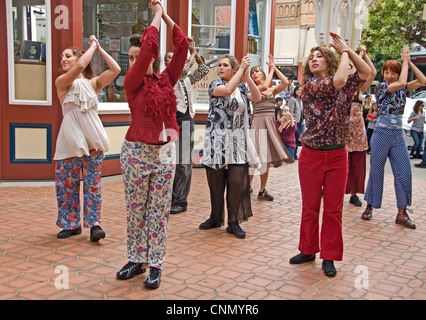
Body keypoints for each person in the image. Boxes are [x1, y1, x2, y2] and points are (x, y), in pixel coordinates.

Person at [116, 0, 189, 289]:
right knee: (136, 210)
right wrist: (156, 15)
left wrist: (167, 17)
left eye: (140, 56)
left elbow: (183, 47)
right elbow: (148, 47)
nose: (137, 61)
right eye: (132, 57)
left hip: (164, 155)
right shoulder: (132, 83)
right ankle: (136, 258)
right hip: (135, 153)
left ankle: (156, 263)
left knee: (158, 212)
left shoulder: (167, 79)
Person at [289, 32, 371, 277]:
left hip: (337, 156)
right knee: (310, 206)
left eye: (320, 56)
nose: (314, 59)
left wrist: (347, 49)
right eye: (311, 57)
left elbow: (367, 74)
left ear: (330, 61)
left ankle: (330, 256)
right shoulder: (310, 86)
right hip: (311, 155)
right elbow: (337, 81)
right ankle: (308, 250)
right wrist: (344, 52)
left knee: (334, 209)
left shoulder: (347, 83)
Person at [54, 36, 121, 241]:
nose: (63, 59)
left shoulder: (93, 83)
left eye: (68, 55)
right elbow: (82, 64)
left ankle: (94, 225)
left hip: (93, 141)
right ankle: (71, 224)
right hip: (70, 141)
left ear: (77, 56)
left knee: (93, 185)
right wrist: (92, 46)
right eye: (62, 57)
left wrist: (100, 48)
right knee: (67, 185)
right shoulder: (62, 82)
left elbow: (116, 69)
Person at [199, 54, 261, 239]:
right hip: (217, 141)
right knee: (216, 183)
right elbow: (226, 90)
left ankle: (233, 222)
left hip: (237, 142)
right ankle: (215, 217)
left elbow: (256, 97)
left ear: (233, 69)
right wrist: (240, 70)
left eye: (225, 65)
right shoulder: (215, 85)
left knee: (236, 182)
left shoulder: (241, 88)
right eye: (219, 65)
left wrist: (247, 76)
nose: (221, 67)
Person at [362, 48, 426, 229]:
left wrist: (409, 62)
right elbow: (403, 82)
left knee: (404, 172)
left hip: (397, 136)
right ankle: (369, 206)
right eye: (386, 72)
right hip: (381, 134)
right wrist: (404, 62)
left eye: (393, 73)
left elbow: (422, 80)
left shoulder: (403, 89)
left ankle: (401, 213)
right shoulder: (382, 87)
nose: (389, 76)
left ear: (398, 73)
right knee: (376, 171)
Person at [165, 38, 210, 214]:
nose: (171, 60)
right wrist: (189, 54)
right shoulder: (168, 75)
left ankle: (181, 200)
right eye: (168, 58)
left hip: (186, 121)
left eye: (173, 57)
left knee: (184, 162)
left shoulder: (186, 80)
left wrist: (195, 51)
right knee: (171, 162)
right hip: (171, 121)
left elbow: (204, 69)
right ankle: (169, 197)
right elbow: (182, 70)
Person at [249, 54, 293, 201]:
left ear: (262, 73)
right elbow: (264, 85)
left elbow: (286, 82)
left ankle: (262, 189)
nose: (255, 74)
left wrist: (275, 69)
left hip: (269, 124)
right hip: (258, 123)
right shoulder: (254, 88)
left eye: (257, 71)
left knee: (266, 159)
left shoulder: (272, 90)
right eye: (252, 72)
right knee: (254, 157)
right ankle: (247, 186)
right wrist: (271, 70)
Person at [345, 45, 377, 207]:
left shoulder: (359, 88)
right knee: (339, 160)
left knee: (356, 162)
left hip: (357, 129)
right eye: (348, 68)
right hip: (342, 129)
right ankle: (327, 187)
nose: (351, 70)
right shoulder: (339, 86)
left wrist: (363, 55)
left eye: (353, 67)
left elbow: (372, 73)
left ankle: (354, 193)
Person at [288, 85, 304, 159]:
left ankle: (294, 155)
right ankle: (291, 154)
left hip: (300, 121)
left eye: (301, 90)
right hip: (294, 121)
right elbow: (290, 111)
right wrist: (292, 121)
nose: (299, 91)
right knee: (297, 137)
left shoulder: (301, 100)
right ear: (295, 91)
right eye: (298, 90)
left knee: (297, 139)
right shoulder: (293, 99)